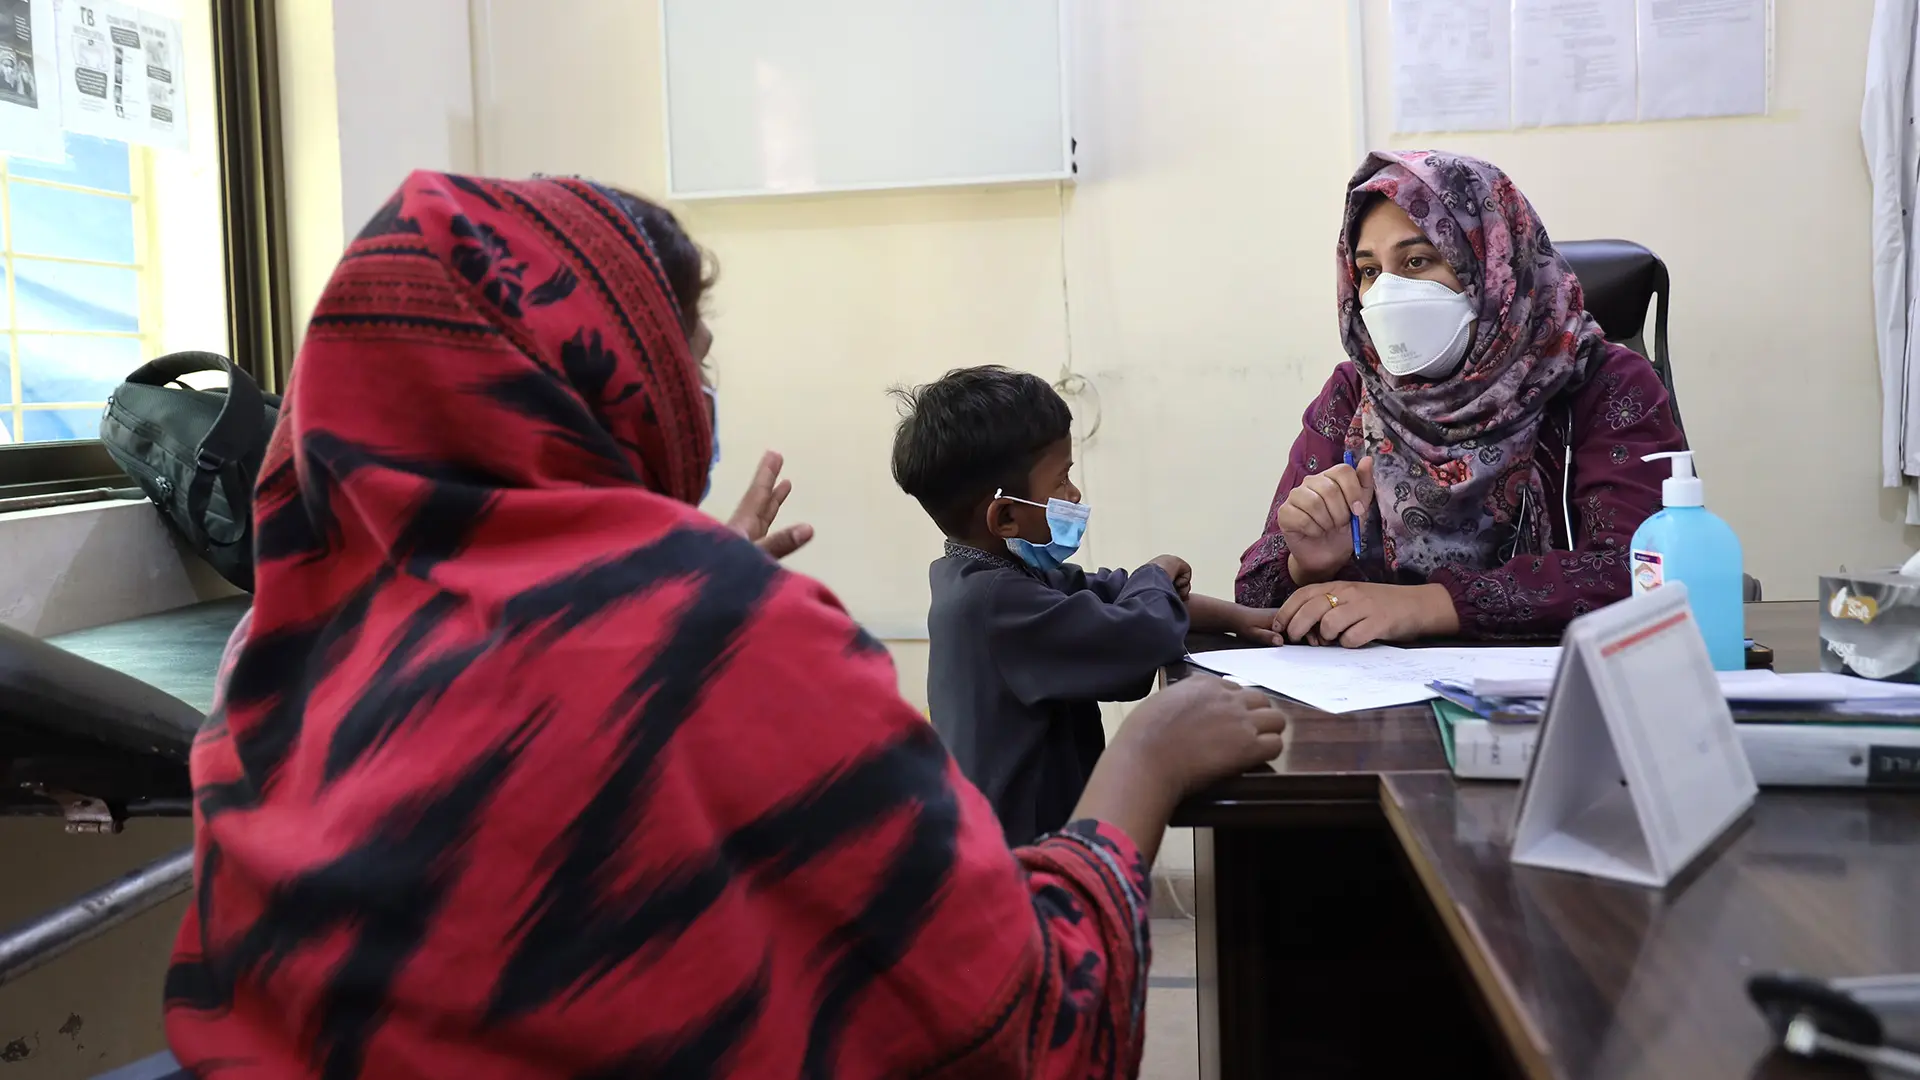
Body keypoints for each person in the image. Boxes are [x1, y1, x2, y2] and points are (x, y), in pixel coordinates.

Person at [162, 170, 1289, 1078]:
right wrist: (1146, 761)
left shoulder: (271, 670)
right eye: (684, 362)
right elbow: (1023, 1031)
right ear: (603, 378)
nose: (696, 400)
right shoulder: (721, 636)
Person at [1236, 150, 1685, 645]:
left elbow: (1642, 570)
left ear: (1493, 266)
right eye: (1368, 271)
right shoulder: (1353, 394)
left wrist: (1426, 605)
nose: (1387, 292)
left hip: (1560, 694)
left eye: (1417, 261)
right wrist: (1307, 564)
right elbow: (1256, 597)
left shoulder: (1605, 383)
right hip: (1373, 704)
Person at [891, 366, 1280, 845]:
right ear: (1006, 515)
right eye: (1062, 481)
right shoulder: (996, 605)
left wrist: (1248, 620)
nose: (1074, 496)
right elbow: (1139, 636)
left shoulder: (993, 574)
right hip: (1020, 857)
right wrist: (1156, 574)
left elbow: (1113, 593)